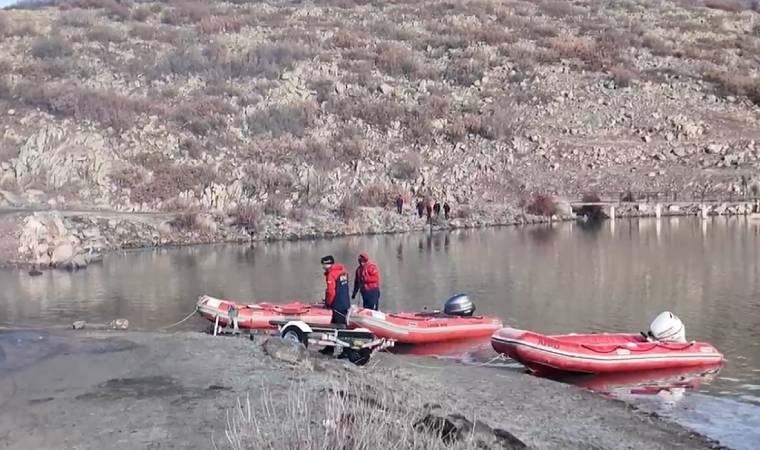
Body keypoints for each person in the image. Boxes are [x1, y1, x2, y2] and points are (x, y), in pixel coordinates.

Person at [320, 255, 350, 353]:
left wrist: (328, 303)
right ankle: (329, 348)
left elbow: (331, 292)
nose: (322, 267)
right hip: (345, 302)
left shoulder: (331, 275)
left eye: (323, 265)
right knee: (334, 325)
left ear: (327, 264)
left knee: (340, 328)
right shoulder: (343, 271)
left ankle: (346, 350)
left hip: (337, 304)